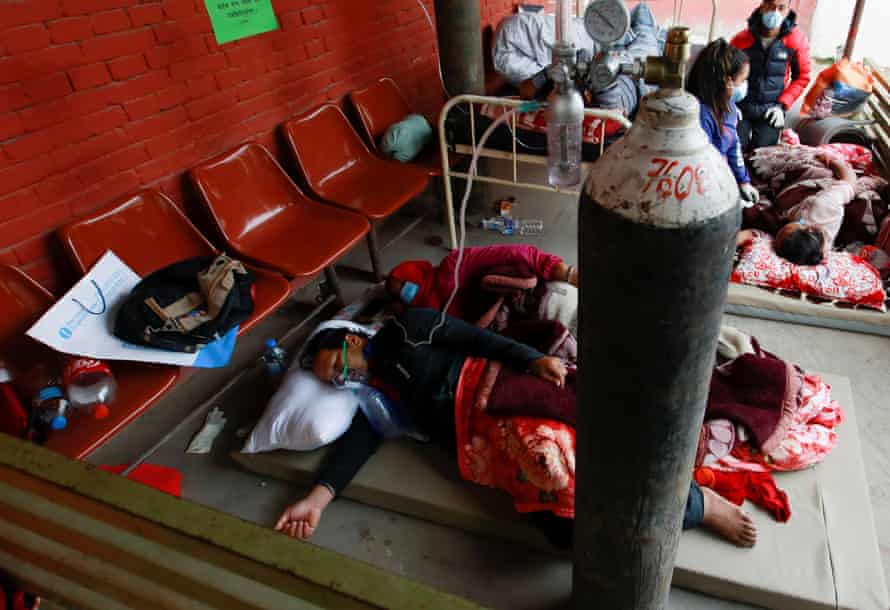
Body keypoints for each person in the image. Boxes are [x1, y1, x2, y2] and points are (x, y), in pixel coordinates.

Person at [274, 308, 758, 548]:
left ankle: (698, 503)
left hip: (501, 392)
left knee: (566, 463)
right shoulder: (375, 401)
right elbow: (360, 441)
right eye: (332, 380)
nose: (342, 376)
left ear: (355, 339)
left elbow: (474, 336)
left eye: (338, 362)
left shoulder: (406, 329)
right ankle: (664, 511)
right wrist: (317, 498)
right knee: (565, 537)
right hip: (479, 444)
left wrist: (533, 357)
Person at [499, 3, 661, 118]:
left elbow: (525, 91)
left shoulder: (579, 66)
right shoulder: (624, 93)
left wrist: (548, 74)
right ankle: (643, 29)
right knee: (645, 31)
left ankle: (631, 31)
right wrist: (548, 72)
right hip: (636, 75)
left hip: (622, 62)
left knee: (638, 24)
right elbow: (613, 110)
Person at [386, 244, 578, 329]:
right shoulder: (432, 322)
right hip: (538, 333)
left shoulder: (451, 266)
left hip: (553, 300)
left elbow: (512, 253)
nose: (405, 292)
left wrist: (565, 271)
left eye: (403, 285)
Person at [738, 150, 858, 265]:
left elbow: (760, 235)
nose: (779, 233)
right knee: (757, 163)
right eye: (783, 231)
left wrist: (735, 241)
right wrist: (831, 161)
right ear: (806, 227)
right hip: (817, 181)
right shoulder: (823, 205)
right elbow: (849, 181)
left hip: (796, 204)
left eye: (778, 236)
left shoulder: (809, 251)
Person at [731, 0, 812, 151]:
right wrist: (729, 103)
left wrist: (782, 105)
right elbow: (726, 74)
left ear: (788, 10)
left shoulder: (796, 41)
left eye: (781, 8)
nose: (775, 12)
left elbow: (802, 77)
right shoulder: (741, 40)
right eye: (771, 6)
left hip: (771, 110)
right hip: (742, 107)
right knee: (734, 148)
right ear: (762, 6)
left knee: (763, 154)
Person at [687, 39, 759, 205]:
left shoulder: (729, 109)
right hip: (704, 188)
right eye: (742, 80)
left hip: (722, 178)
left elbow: (734, 146)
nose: (744, 86)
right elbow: (702, 165)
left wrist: (744, 181)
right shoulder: (701, 116)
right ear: (727, 82)